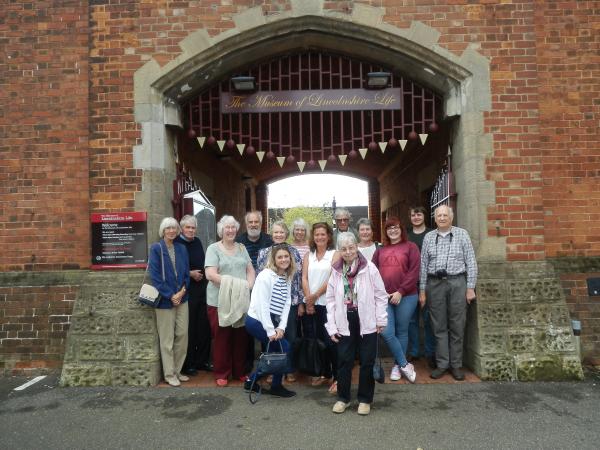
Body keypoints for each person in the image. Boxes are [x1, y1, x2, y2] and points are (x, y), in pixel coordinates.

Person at [326, 232, 388, 416]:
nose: (348, 252)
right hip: (344, 320)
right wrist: (331, 325)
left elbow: (381, 295)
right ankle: (343, 398)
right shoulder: (336, 271)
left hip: (366, 319)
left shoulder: (369, 268)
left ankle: (365, 399)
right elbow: (330, 300)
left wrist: (381, 319)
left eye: (351, 247)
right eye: (343, 249)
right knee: (344, 360)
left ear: (356, 247)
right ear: (339, 250)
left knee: (367, 361)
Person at [419, 205, 477, 381]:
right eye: (439, 215)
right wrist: (422, 290)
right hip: (434, 284)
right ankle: (443, 364)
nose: (442, 218)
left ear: (451, 217)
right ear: (435, 219)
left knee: (457, 325)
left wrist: (470, 287)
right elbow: (423, 265)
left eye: (445, 215)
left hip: (457, 282)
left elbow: (471, 262)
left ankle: (456, 365)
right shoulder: (429, 237)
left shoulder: (462, 234)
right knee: (439, 326)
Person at [205, 215, 255, 386]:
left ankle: (239, 371)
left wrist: (248, 285)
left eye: (233, 227)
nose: (231, 230)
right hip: (219, 300)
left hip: (240, 299)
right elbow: (210, 274)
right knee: (222, 336)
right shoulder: (213, 248)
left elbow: (250, 270)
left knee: (240, 336)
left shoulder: (242, 248)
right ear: (221, 230)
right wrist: (234, 284)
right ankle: (222, 373)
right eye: (227, 227)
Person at [244, 244, 297, 398]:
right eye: (280, 257)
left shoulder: (286, 275)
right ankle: (273, 385)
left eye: (286, 256)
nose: (283, 259)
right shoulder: (265, 275)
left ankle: (253, 382)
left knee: (276, 351)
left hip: (273, 322)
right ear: (274, 260)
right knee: (283, 348)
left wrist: (281, 327)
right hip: (257, 321)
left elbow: (287, 303)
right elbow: (262, 306)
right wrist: (270, 330)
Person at [372, 217, 420, 383]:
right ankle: (404, 363)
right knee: (386, 331)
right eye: (389, 228)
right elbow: (373, 272)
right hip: (384, 297)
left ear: (401, 229)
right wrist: (380, 293)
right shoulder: (380, 250)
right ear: (386, 231)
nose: (392, 230)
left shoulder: (411, 247)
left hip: (407, 296)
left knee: (402, 331)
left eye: (396, 227)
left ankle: (397, 366)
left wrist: (400, 291)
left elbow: (414, 272)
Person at [256, 220, 303, 382]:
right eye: (275, 232)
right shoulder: (263, 253)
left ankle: (287, 368)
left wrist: (300, 302)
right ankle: (271, 369)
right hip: (269, 303)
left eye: (281, 232)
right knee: (269, 336)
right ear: (271, 234)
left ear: (286, 234)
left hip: (290, 301)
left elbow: (297, 279)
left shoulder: (294, 252)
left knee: (289, 335)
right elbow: (259, 278)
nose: (278, 235)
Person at [148, 217, 190, 387]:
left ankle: (178, 370)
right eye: (168, 228)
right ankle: (169, 373)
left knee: (182, 335)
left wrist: (181, 292)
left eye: (174, 228)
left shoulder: (181, 248)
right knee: (167, 339)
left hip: (182, 298)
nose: (171, 231)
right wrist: (170, 295)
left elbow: (186, 273)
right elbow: (155, 276)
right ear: (163, 231)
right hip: (165, 301)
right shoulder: (156, 249)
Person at [302, 222, 341, 393]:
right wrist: (309, 301)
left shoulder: (335, 254)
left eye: (323, 234)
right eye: (316, 234)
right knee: (315, 340)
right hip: (311, 305)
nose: (319, 237)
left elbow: (333, 278)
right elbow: (304, 278)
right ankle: (323, 372)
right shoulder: (308, 255)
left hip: (328, 304)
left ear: (329, 236)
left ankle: (337, 376)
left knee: (330, 340)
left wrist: (315, 296)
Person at [175, 215, 212, 376]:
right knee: (190, 329)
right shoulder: (176, 243)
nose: (191, 230)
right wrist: (190, 274)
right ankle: (188, 363)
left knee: (204, 327)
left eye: (193, 227)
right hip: (187, 290)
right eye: (188, 227)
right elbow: (174, 267)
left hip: (202, 289)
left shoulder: (197, 242)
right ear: (182, 228)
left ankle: (202, 361)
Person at [406, 206, 435, 368]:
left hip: (429, 283)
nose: (416, 217)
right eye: (413, 214)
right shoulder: (407, 237)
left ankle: (430, 352)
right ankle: (414, 351)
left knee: (428, 319)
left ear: (424, 216)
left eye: (419, 214)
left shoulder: (431, 234)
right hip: (411, 283)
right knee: (411, 320)